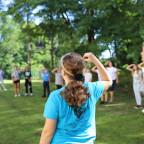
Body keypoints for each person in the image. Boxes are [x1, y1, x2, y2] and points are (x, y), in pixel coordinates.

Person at [39, 52, 112, 144]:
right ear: (83, 71)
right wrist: (95, 60)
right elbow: (108, 81)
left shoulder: (56, 96)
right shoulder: (92, 89)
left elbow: (48, 132)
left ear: (63, 72)